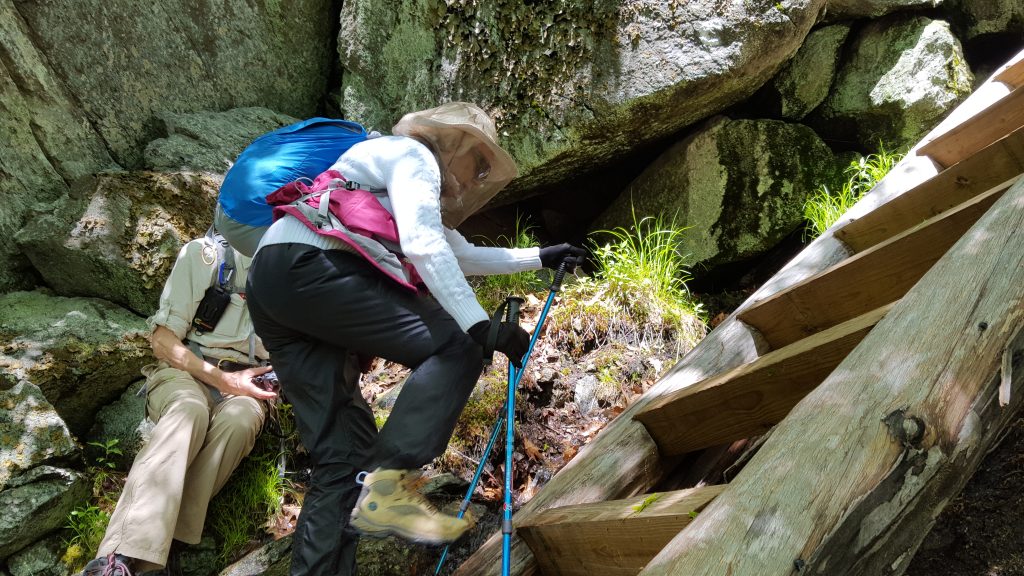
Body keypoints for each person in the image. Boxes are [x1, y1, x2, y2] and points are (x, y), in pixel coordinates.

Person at [243, 101, 585, 576]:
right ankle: (387, 485)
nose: (477, 175)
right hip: (314, 269)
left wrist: (540, 256)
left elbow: (453, 250)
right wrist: (479, 327)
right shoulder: (413, 156)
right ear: (456, 144)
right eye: (479, 161)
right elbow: (425, 247)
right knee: (458, 346)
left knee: (342, 459)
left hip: (274, 282)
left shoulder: (386, 163)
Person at [80, 234, 279, 576]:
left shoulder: (293, 268)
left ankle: (147, 551)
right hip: (186, 371)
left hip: (249, 385)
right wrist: (220, 379)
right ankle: (118, 556)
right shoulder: (205, 256)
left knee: (240, 422)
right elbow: (162, 340)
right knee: (190, 412)